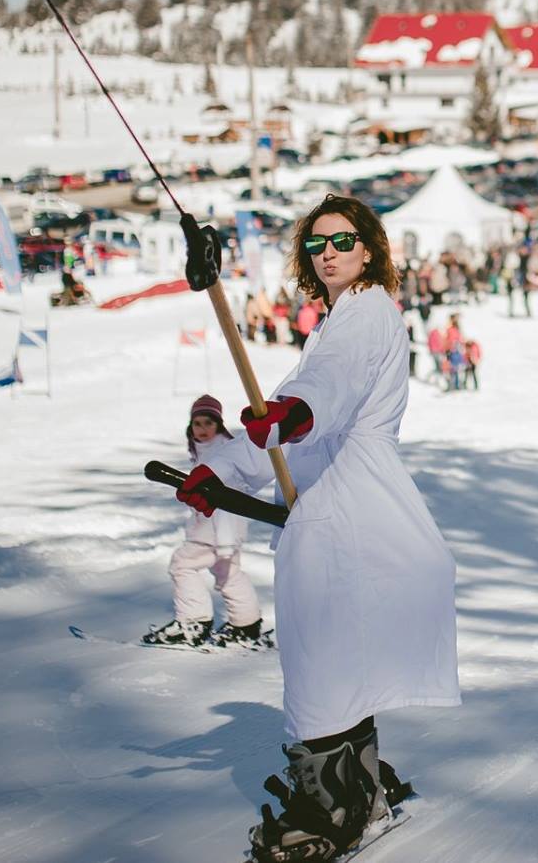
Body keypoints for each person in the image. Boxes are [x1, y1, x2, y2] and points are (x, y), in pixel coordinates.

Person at [183, 197, 458, 859]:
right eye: (315, 244)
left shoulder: (367, 314)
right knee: (334, 661)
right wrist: (222, 471)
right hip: (333, 508)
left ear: (369, 249)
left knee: (321, 667)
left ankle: (334, 806)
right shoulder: (335, 323)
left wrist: (296, 411)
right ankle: (360, 789)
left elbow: (327, 391)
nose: (328, 253)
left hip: (352, 512)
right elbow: (281, 428)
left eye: (342, 240)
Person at [147, 395, 270, 649]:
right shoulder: (210, 449)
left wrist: (225, 542)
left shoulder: (220, 454)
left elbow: (225, 498)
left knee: (182, 564)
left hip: (215, 530)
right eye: (197, 424)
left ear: (219, 425)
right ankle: (246, 625)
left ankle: (193, 622)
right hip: (222, 530)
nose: (202, 429)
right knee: (228, 573)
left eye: (208, 423)